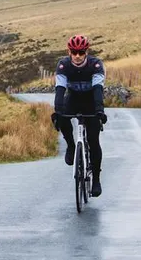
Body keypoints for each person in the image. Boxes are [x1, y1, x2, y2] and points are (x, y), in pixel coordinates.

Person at [51, 35, 108, 197]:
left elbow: (98, 89)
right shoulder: (63, 65)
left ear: (86, 52)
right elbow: (60, 90)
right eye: (74, 52)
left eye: (81, 52)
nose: (77, 56)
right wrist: (57, 111)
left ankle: (96, 179)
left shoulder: (95, 64)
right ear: (69, 51)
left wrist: (100, 110)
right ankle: (70, 145)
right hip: (73, 99)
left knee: (93, 140)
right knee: (62, 117)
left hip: (91, 100)